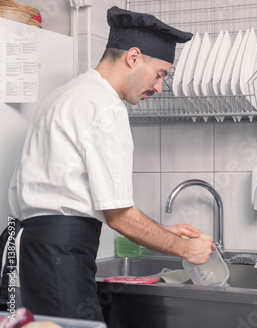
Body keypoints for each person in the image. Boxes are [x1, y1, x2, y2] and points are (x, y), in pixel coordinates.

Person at [1, 6, 213, 322]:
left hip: (28, 254)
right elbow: (121, 217)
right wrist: (185, 250)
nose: (157, 88)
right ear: (134, 57)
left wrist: (163, 232)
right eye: (160, 74)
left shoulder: (69, 93)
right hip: (58, 260)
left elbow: (77, 196)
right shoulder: (103, 107)